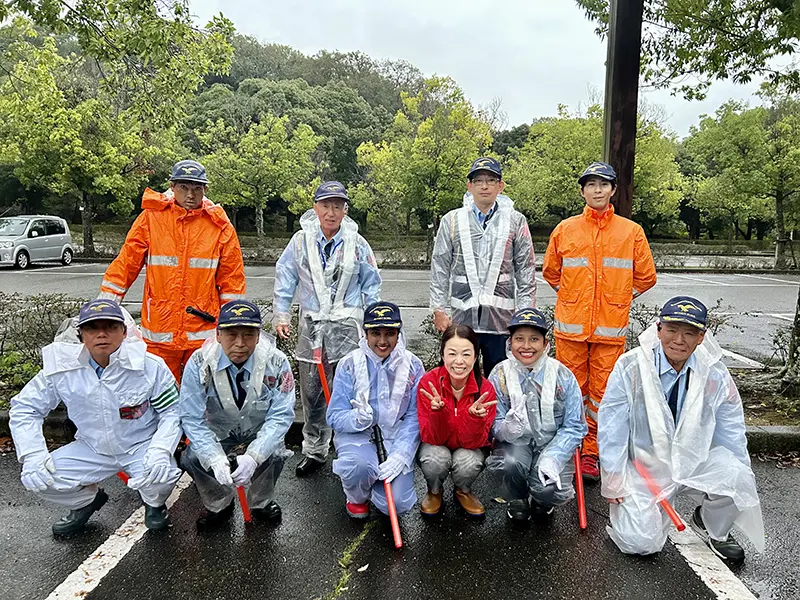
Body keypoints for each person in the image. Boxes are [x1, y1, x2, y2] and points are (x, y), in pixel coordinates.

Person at [599, 297, 764, 563]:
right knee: (639, 543)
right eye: (672, 330)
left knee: (737, 474)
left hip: (691, 460)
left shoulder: (714, 373)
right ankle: (640, 515)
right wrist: (613, 477)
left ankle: (713, 526)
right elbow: (612, 425)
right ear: (658, 329)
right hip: (645, 466)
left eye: (689, 333)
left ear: (701, 337)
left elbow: (731, 429)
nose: (679, 340)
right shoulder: (631, 366)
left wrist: (739, 475)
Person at [9, 300, 182, 535]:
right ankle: (86, 502)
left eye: (110, 327)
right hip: (91, 448)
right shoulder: (62, 369)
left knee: (161, 475)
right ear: (80, 334)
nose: (102, 334)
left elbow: (172, 411)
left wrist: (161, 450)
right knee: (41, 479)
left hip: (140, 445)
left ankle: (155, 504)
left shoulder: (149, 366)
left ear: (124, 332)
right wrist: (32, 455)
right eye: (92, 328)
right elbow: (25, 408)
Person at [542, 161, 657, 481]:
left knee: (602, 395)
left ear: (613, 191)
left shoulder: (631, 232)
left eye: (603, 184)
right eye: (591, 185)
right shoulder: (565, 229)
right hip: (571, 329)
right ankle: (570, 444)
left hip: (609, 329)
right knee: (571, 390)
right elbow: (551, 272)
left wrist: (619, 298)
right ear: (582, 191)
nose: (597, 190)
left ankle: (591, 451)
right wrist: (573, 297)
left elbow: (646, 277)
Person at [98, 159, 247, 382]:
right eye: (183, 187)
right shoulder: (152, 217)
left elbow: (232, 280)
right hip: (160, 329)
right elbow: (126, 264)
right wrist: (104, 308)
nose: (190, 195)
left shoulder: (219, 225)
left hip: (202, 330)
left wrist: (233, 323)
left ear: (205, 189)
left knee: (204, 392)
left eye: (197, 188)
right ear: (172, 186)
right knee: (159, 390)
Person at [272, 181, 382, 477]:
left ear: (345, 209)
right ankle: (315, 450)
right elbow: (285, 278)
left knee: (348, 390)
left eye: (337, 206)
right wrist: (281, 315)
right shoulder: (300, 242)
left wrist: (373, 325)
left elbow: (371, 285)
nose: (331, 212)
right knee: (312, 393)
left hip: (347, 329)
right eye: (325, 205)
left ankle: (349, 447)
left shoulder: (358, 243)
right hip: (312, 329)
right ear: (315, 207)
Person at [179, 300, 295, 528]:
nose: (240, 344)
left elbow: (281, 415)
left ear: (259, 336)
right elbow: (191, 417)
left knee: (275, 452)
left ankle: (260, 502)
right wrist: (214, 457)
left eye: (248, 335)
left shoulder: (276, 362)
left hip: (257, 428)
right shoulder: (200, 363)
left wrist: (254, 456)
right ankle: (219, 502)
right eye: (231, 335)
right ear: (218, 335)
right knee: (192, 458)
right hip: (219, 429)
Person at [429, 156, 536, 377]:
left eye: (490, 180)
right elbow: (440, 267)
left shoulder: (515, 221)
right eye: (478, 181)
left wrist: (524, 316)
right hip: (462, 318)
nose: (484, 186)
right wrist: (438, 309)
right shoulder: (452, 220)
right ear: (469, 186)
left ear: (500, 186)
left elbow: (526, 271)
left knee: (500, 378)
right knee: (460, 376)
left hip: (502, 321)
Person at [326, 302, 424, 518]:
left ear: (399, 333)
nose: (382, 341)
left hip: (396, 438)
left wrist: (401, 455)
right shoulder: (349, 364)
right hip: (358, 437)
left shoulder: (414, 365)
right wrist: (357, 418)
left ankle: (377, 485)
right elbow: (334, 416)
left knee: (396, 505)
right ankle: (357, 496)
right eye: (375, 333)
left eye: (390, 333)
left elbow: (415, 416)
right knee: (359, 466)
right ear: (365, 333)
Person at [489, 308, 587, 521]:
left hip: (552, 443)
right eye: (519, 339)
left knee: (549, 487)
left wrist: (554, 457)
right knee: (510, 463)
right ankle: (518, 497)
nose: (526, 346)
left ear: (545, 343)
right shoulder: (499, 374)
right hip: (516, 444)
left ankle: (542, 501)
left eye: (534, 339)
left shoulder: (562, 375)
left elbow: (575, 425)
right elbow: (493, 420)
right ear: (510, 342)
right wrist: (507, 429)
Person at [417, 324, 498, 518]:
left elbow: (474, 443)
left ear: (476, 357)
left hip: (468, 446)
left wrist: (474, 418)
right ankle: (434, 491)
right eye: (452, 354)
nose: (459, 361)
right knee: (434, 458)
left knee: (468, 461)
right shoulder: (429, 383)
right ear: (442, 355)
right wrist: (438, 413)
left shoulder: (485, 390)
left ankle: (463, 490)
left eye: (466, 354)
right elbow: (432, 438)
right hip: (437, 444)